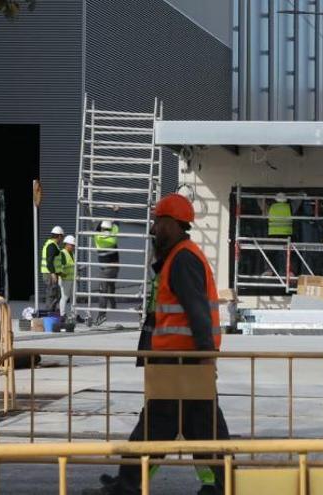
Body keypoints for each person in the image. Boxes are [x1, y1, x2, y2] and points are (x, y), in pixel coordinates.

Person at [84, 193, 229, 495]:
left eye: (157, 222)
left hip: (183, 363)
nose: (152, 229)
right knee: (197, 426)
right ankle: (220, 484)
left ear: (173, 225)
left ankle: (130, 484)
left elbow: (198, 313)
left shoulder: (183, 259)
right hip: (178, 362)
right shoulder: (177, 257)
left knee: (160, 425)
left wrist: (205, 360)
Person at [94, 220, 119, 326]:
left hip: (104, 269)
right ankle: (113, 302)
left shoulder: (97, 238)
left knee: (102, 292)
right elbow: (117, 226)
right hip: (115, 267)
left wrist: (101, 222)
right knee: (110, 285)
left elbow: (96, 228)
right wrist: (115, 216)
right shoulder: (113, 238)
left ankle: (101, 315)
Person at [266, 192, 293, 277]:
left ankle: (269, 271)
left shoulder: (272, 207)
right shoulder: (289, 207)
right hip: (286, 234)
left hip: (273, 233)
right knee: (286, 254)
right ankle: (288, 272)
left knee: (271, 253)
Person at [41, 226, 65, 312]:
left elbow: (54, 262)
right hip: (50, 274)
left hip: (51, 274)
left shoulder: (52, 245)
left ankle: (52, 312)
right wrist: (53, 273)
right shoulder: (52, 246)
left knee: (56, 294)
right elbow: (49, 261)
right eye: (62, 237)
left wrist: (59, 272)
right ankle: (49, 314)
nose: (62, 239)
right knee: (52, 295)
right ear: (59, 236)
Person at [56, 235, 76, 317]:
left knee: (74, 298)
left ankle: (74, 315)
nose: (73, 247)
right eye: (72, 245)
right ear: (67, 244)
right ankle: (62, 314)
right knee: (64, 297)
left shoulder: (72, 253)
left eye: (74, 245)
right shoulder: (62, 253)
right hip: (65, 279)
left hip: (73, 279)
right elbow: (60, 266)